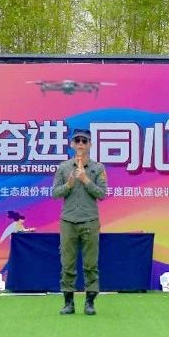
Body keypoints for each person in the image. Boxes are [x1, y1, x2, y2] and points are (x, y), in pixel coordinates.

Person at [51, 128, 107, 316]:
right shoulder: (64, 167)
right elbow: (55, 193)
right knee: (67, 263)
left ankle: (90, 302)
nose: (81, 144)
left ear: (90, 144)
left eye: (84, 141)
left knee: (90, 264)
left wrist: (85, 180)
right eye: (78, 141)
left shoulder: (98, 168)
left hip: (89, 220)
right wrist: (68, 185)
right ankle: (69, 303)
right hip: (68, 221)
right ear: (72, 144)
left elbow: (102, 194)